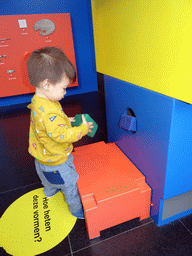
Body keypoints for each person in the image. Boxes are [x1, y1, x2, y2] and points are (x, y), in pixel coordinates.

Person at [27, 46, 94, 219]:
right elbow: (62, 135)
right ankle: (75, 209)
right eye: (64, 88)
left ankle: (49, 191)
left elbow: (46, 124)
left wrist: (66, 120)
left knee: (46, 177)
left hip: (41, 155)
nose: (65, 93)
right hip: (57, 161)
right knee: (70, 184)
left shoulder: (38, 100)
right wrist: (83, 129)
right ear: (47, 84)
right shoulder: (49, 111)